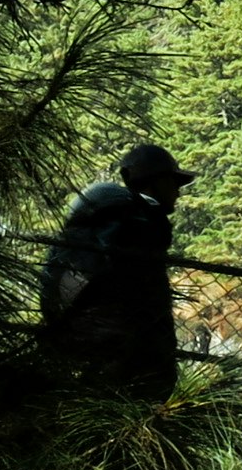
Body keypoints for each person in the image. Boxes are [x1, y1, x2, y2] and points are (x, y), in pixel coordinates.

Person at [40, 140, 189, 393]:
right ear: (157, 181)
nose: (178, 191)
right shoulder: (145, 222)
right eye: (174, 183)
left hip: (75, 337)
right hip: (129, 354)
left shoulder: (96, 221)